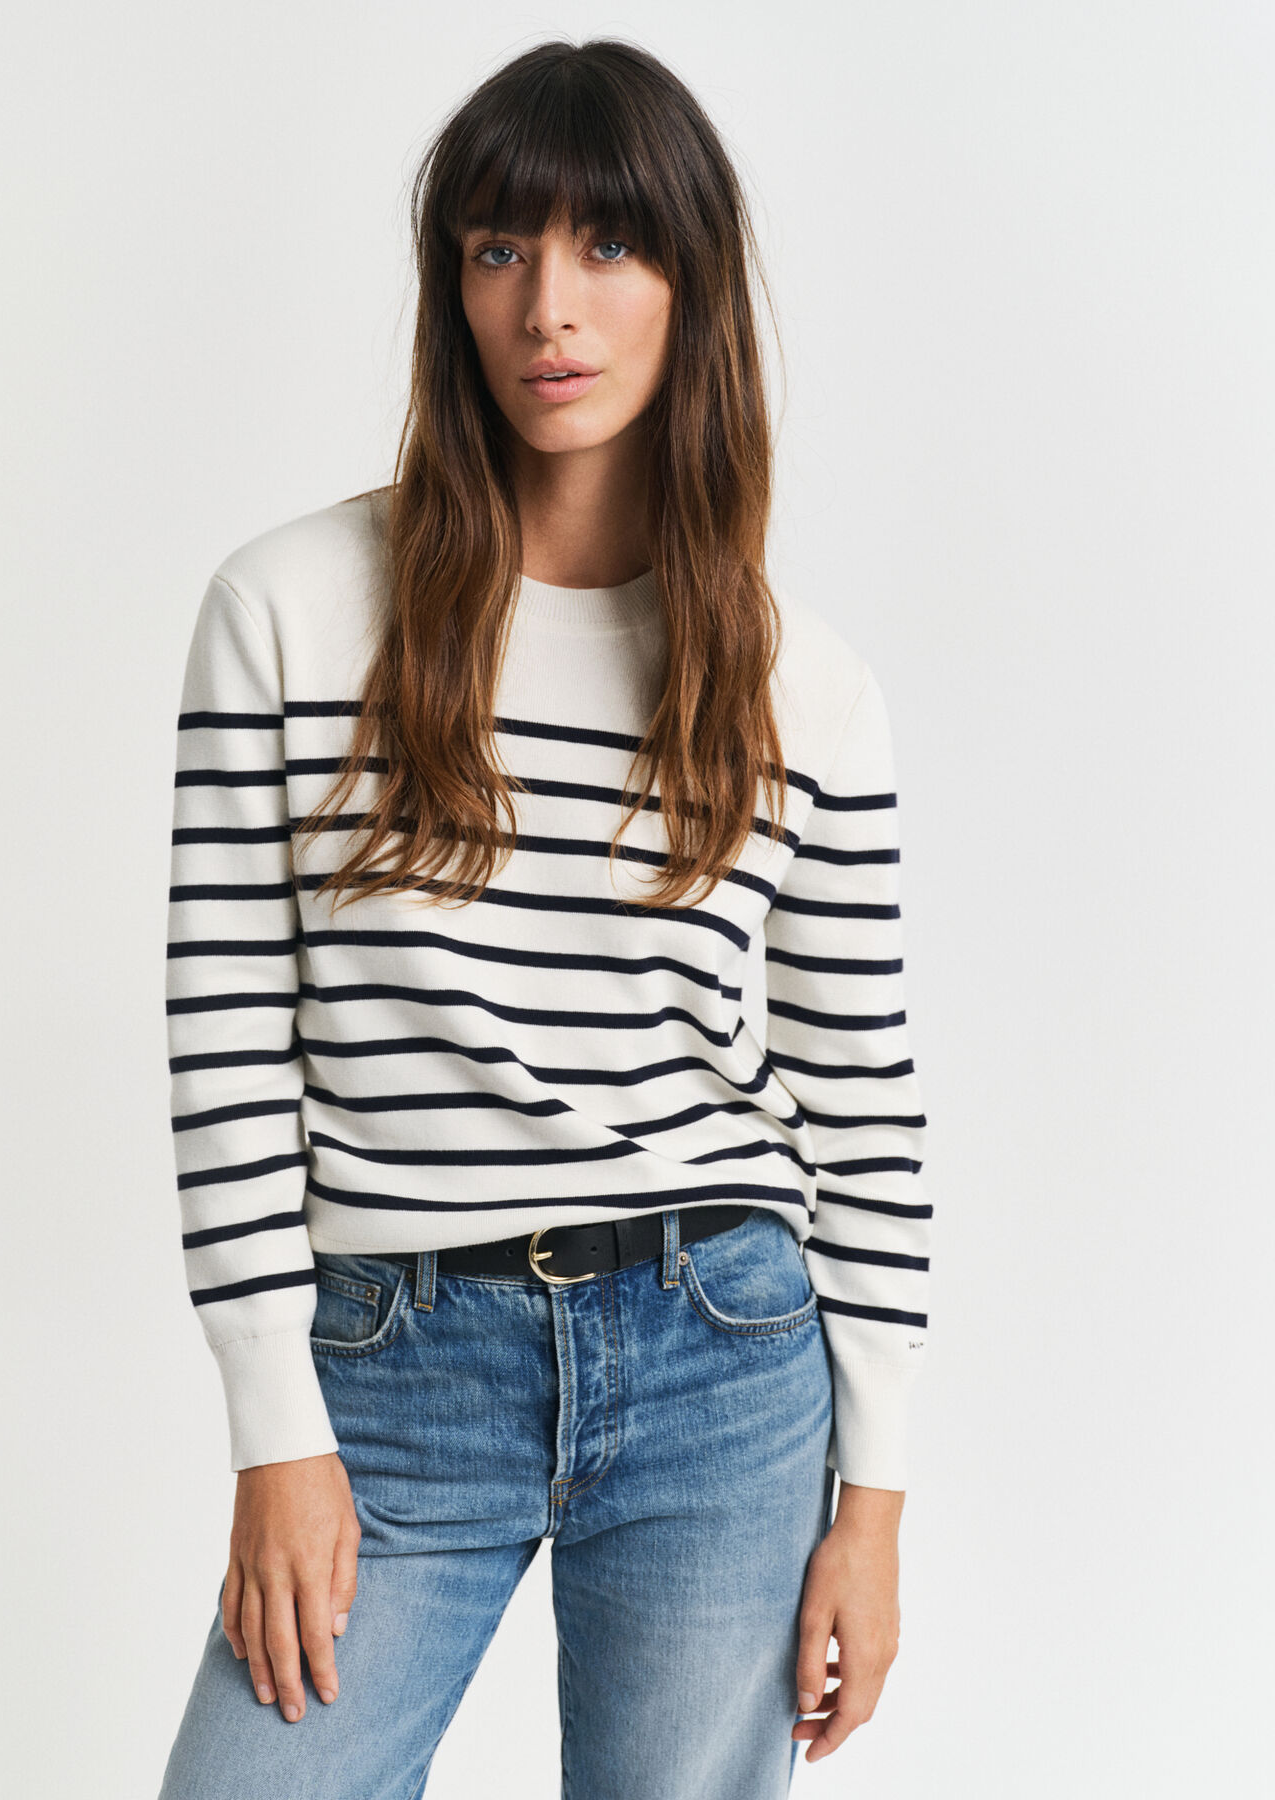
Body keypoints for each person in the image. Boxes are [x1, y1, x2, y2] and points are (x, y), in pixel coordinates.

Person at [157, 36, 930, 1800]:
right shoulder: (289, 611)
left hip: (721, 1358)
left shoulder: (803, 686)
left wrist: (875, 1501)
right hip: (392, 1365)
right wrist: (273, 1427)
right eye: (499, 249)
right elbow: (227, 1048)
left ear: (691, 286)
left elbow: (864, 1102)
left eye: (610, 246)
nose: (548, 308)